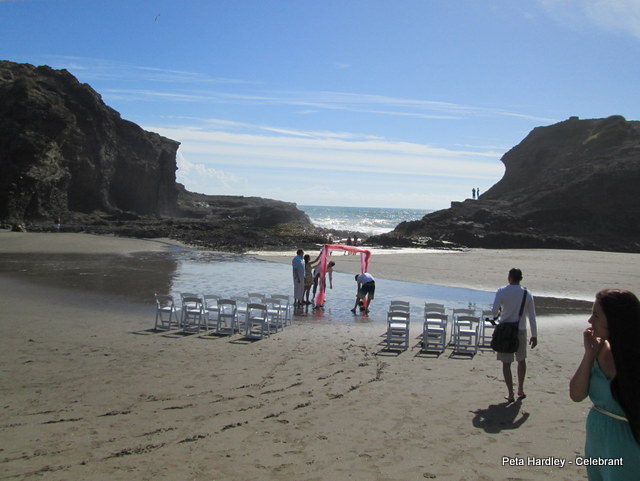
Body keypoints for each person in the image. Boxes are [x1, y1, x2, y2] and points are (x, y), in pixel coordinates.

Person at [569, 289, 640, 480]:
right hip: (596, 440)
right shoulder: (598, 350)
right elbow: (576, 394)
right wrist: (589, 355)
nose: (590, 320)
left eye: (596, 315)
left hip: (627, 444)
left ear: (615, 320)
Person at [491, 268, 537, 403]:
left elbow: (493, 312)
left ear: (509, 277)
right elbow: (532, 316)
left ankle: (510, 393)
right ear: (520, 278)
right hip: (520, 330)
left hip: (505, 330)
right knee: (521, 360)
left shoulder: (502, 291)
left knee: (506, 363)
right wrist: (534, 335)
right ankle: (520, 390)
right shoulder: (527, 294)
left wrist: (501, 310)